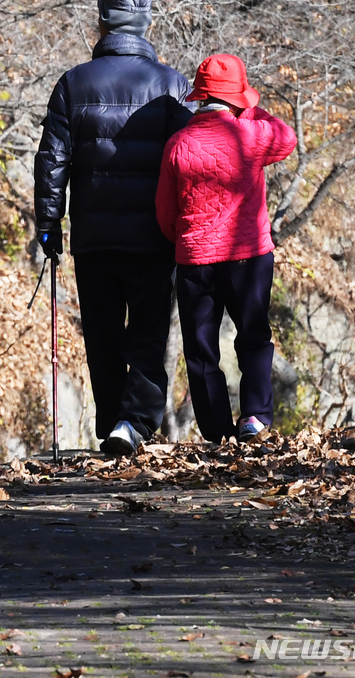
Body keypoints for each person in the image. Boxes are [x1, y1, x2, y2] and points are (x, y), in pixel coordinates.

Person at [34, 0, 192, 456]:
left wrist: (48, 224)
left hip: (94, 235)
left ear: (102, 21)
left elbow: (52, 160)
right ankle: (134, 423)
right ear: (146, 23)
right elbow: (189, 162)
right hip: (153, 235)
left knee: (102, 332)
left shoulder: (73, 83)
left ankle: (111, 422)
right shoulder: (171, 85)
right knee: (147, 330)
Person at [155, 53, 297, 443]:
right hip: (248, 257)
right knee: (253, 336)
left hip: (195, 261)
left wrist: (184, 239)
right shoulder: (250, 136)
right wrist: (250, 110)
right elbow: (286, 137)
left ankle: (217, 432)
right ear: (237, 97)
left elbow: (165, 214)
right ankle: (255, 418)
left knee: (201, 351)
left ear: (199, 98)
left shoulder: (178, 144)